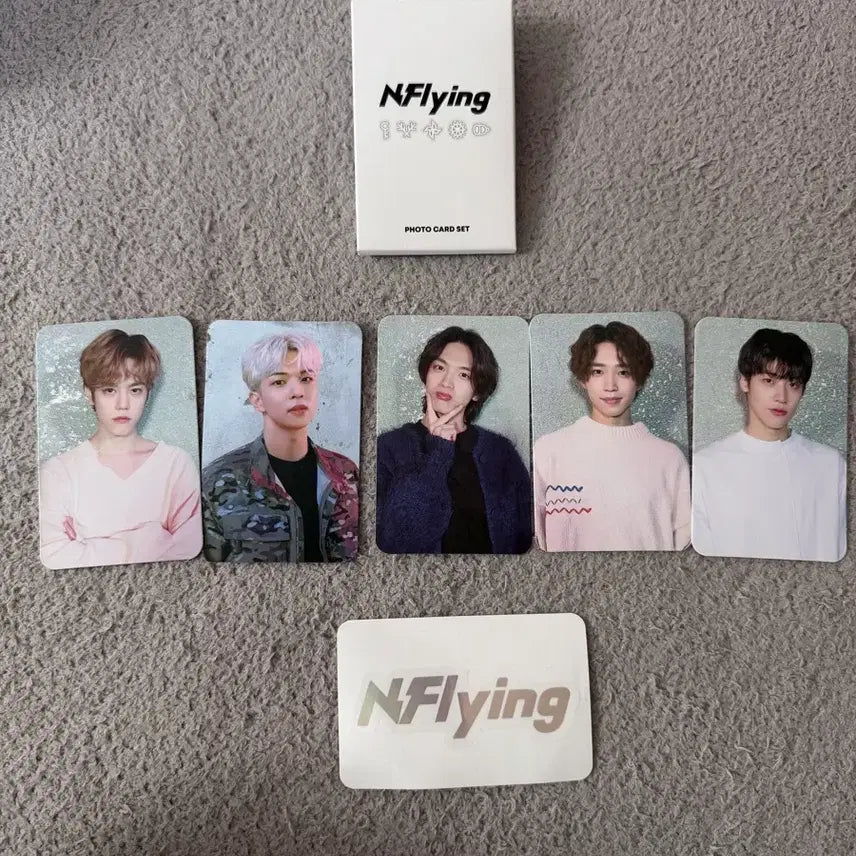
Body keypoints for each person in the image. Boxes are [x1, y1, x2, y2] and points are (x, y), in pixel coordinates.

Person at [39, 329, 202, 569]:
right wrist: (153, 536)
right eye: (109, 390)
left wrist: (91, 546)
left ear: (148, 394)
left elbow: (189, 548)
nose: (123, 404)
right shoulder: (58, 471)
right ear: (89, 394)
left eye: (135, 390)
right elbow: (55, 555)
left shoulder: (176, 464)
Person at [533, 321, 690, 552]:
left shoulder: (669, 458)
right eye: (597, 372)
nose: (610, 386)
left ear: (640, 380)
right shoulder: (549, 450)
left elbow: (683, 543)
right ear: (582, 379)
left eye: (623, 372)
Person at [201, 332, 359, 562]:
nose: (298, 392)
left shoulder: (346, 472)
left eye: (306, 379)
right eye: (279, 382)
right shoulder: (217, 480)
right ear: (257, 400)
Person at [692, 328, 846, 562]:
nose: (781, 397)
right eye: (769, 381)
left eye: (793, 384)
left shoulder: (831, 465)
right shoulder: (706, 466)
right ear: (744, 382)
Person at [376, 326, 532, 554]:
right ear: (426, 374)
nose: (446, 382)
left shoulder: (500, 451)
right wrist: (438, 454)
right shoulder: (389, 447)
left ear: (477, 391)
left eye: (463, 375)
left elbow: (524, 537)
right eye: (439, 367)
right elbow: (396, 542)